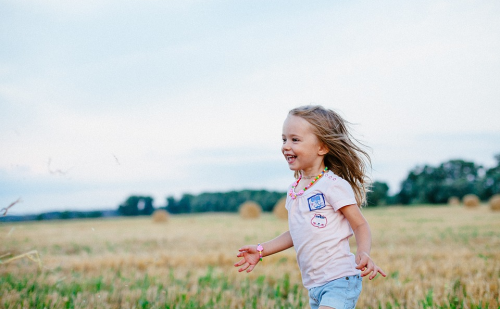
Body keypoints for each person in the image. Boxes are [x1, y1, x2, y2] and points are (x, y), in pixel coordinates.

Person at [234, 105, 386, 309]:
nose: (286, 146)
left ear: (322, 147)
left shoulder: (333, 185)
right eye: (284, 139)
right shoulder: (295, 189)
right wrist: (261, 250)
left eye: (295, 140)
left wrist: (364, 252)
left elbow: (360, 225)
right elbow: (296, 232)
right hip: (314, 286)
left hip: (340, 280)